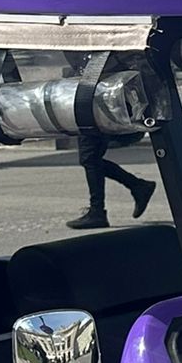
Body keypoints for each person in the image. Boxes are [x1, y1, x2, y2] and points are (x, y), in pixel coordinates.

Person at [65, 52, 156, 231]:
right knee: (91, 159)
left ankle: (99, 210)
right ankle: (137, 186)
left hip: (95, 95)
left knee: (90, 158)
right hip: (94, 93)